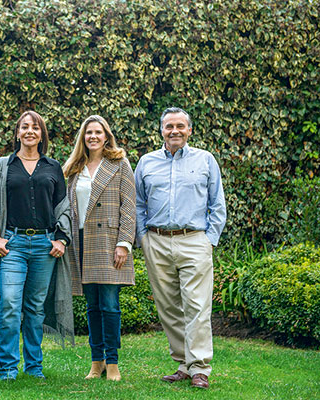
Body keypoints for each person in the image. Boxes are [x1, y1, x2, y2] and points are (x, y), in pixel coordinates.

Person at [135, 107, 226, 389]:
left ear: (189, 130)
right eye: (169, 126)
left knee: (197, 306)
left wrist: (209, 239)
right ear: (161, 130)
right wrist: (143, 238)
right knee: (168, 307)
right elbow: (138, 204)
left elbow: (217, 204)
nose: (174, 131)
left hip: (194, 240)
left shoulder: (205, 160)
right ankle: (184, 364)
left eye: (180, 126)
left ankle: (200, 367)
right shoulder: (147, 162)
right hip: (157, 242)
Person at [0, 110, 74, 381]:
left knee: (35, 308)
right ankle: (8, 369)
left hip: (45, 245)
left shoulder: (53, 167)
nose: (30, 131)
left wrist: (61, 238)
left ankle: (34, 368)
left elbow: (63, 207)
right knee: (10, 304)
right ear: (18, 133)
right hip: (13, 244)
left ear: (42, 133)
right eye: (25, 127)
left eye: (35, 127)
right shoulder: (3, 165)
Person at [63, 115, 136, 381]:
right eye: (88, 133)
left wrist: (124, 243)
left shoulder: (119, 164)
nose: (93, 137)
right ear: (83, 138)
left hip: (109, 243)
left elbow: (128, 207)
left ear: (106, 136)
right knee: (92, 306)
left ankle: (113, 363)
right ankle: (97, 363)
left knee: (110, 305)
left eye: (98, 132)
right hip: (81, 242)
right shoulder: (74, 167)